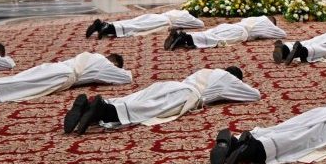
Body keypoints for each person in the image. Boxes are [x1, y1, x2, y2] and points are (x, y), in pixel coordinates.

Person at [64, 65, 260, 135]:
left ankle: (89, 109)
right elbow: (254, 95)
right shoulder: (228, 80)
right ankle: (102, 111)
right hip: (185, 94)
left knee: (135, 98)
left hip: (171, 84)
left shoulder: (207, 70)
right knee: (145, 109)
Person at [0, 51, 131, 106]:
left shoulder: (89, 55)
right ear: (112, 62)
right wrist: (120, 69)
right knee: (22, 88)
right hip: (62, 75)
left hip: (54, 66)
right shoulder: (104, 64)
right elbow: (126, 78)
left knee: (18, 79)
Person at [165, 15, 286, 50]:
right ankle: (185, 39)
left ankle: (184, 36)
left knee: (210, 32)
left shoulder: (254, 18)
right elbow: (282, 34)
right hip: (239, 32)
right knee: (215, 39)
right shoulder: (266, 23)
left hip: (231, 26)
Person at [86, 9, 204, 39]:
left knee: (133, 22)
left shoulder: (178, 11)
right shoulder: (187, 16)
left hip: (156, 16)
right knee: (135, 27)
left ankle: (104, 25)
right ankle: (107, 28)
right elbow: (200, 24)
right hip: (161, 22)